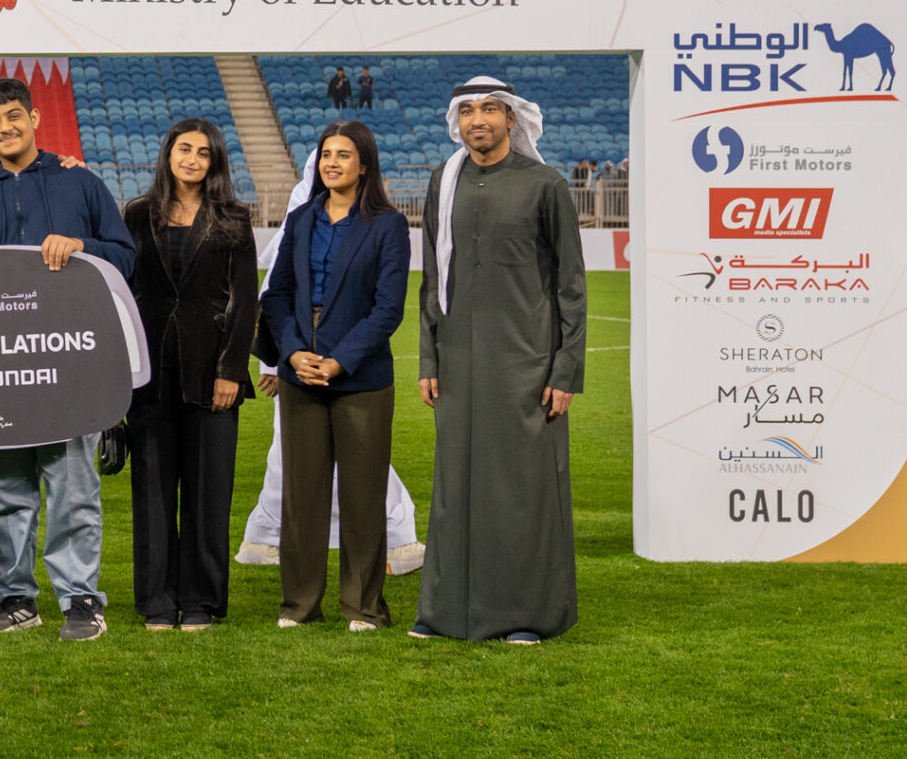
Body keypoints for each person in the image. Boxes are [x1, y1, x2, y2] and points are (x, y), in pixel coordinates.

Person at [0, 75, 138, 642]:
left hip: (71, 365)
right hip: (0, 368)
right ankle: (15, 597)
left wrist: (83, 248)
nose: (5, 127)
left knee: (73, 486)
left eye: (14, 116)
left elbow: (125, 258)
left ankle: (81, 599)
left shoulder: (80, 183)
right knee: (8, 488)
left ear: (34, 118)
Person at [411, 77, 588, 644]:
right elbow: (433, 280)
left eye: (490, 109)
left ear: (512, 119)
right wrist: (429, 359)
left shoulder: (545, 184)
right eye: (467, 111)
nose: (478, 120)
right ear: (456, 121)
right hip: (457, 364)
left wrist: (565, 371)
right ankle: (444, 613)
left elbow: (571, 286)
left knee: (521, 492)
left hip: (527, 366)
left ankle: (526, 616)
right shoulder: (443, 183)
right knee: (454, 487)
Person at [260, 120, 410, 632]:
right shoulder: (301, 218)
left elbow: (388, 309)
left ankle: (363, 607)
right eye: (326, 154)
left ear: (363, 165)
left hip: (361, 378)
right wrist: (292, 353)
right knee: (301, 498)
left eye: (344, 155)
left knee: (363, 497)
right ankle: (299, 605)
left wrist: (340, 360)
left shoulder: (388, 225)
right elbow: (277, 294)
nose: (332, 163)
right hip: (300, 372)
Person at [121, 119, 256, 631]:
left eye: (203, 152)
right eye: (184, 149)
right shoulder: (137, 214)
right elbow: (125, 292)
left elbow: (246, 301)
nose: (192, 159)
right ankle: (157, 600)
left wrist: (230, 371)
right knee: (152, 493)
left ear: (214, 161)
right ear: (168, 154)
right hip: (150, 375)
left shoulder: (234, 217)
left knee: (208, 494)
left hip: (212, 374)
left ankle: (201, 601)